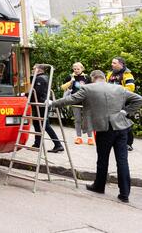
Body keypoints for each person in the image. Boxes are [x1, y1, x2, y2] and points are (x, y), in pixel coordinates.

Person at [52, 70, 142, 203]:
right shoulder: (119, 88)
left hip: (104, 128)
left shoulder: (87, 88)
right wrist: (126, 112)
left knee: (102, 159)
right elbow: (139, 99)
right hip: (122, 127)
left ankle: (99, 186)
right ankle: (124, 194)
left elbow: (71, 99)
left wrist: (52, 103)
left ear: (93, 78)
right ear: (104, 78)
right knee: (122, 160)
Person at [31, 64, 64, 153]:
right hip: (41, 103)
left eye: (34, 69)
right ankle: (37, 144)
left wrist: (26, 95)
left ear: (39, 70)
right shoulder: (44, 77)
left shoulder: (40, 78)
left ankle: (58, 145)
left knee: (45, 125)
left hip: (41, 104)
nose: (32, 70)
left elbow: (37, 92)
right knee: (37, 123)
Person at [106, 57, 136, 151]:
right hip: (112, 102)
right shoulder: (110, 74)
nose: (112, 64)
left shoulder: (127, 75)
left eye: (114, 63)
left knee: (126, 123)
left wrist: (116, 91)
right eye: (112, 63)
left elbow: (130, 88)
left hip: (124, 103)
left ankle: (129, 144)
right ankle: (112, 142)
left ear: (121, 64)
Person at [61, 62, 93, 145]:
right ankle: (79, 137)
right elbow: (63, 87)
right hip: (75, 101)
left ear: (82, 69)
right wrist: (71, 82)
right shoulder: (70, 77)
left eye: (78, 69)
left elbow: (92, 89)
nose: (76, 70)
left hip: (86, 102)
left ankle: (90, 138)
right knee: (77, 120)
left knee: (88, 120)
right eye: (74, 69)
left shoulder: (87, 77)